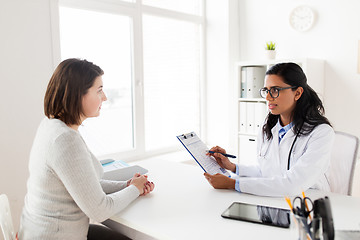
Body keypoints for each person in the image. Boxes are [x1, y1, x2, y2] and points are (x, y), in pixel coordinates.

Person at [19, 58, 155, 240]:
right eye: (99, 90)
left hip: (40, 231)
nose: (105, 97)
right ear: (77, 94)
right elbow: (100, 210)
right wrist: (135, 190)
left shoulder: (52, 126)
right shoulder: (64, 140)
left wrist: (126, 185)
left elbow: (84, 184)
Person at [204, 62, 334, 197]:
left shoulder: (321, 133)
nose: (267, 97)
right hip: (274, 200)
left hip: (309, 204)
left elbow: (293, 184)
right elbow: (266, 172)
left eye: (275, 90)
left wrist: (232, 184)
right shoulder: (268, 127)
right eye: (266, 90)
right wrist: (232, 166)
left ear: (297, 93)